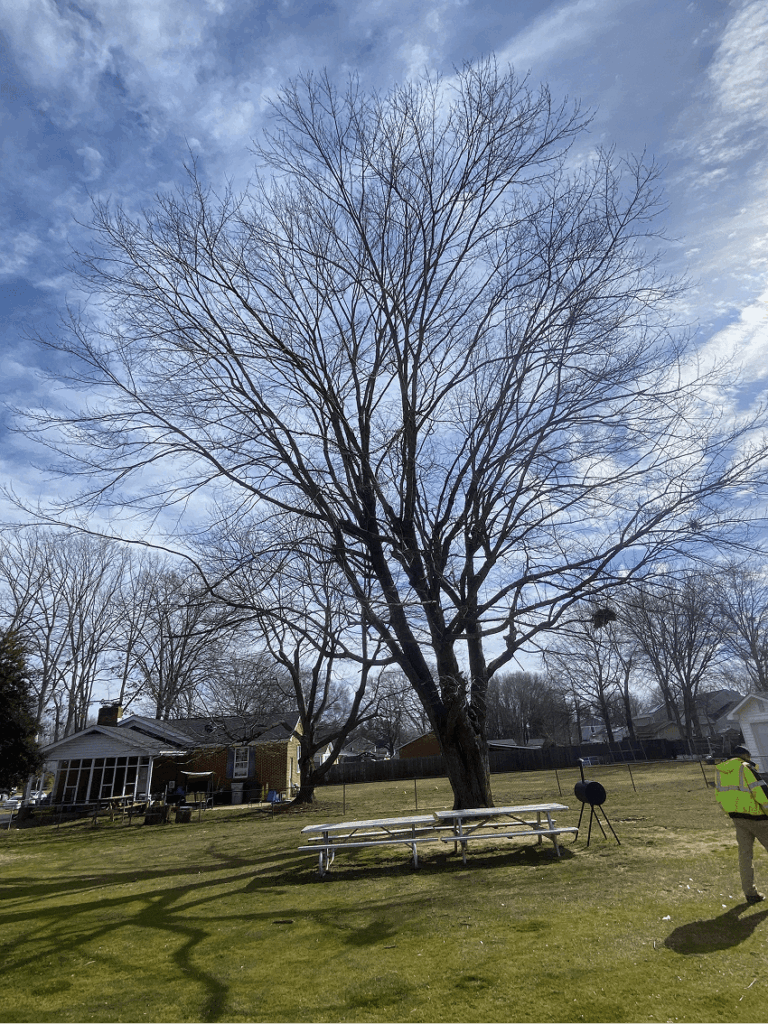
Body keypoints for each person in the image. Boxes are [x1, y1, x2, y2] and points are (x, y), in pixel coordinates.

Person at [714, 745, 768, 904]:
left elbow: (719, 796)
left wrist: (731, 813)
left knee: (745, 857)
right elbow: (761, 794)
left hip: (738, 819)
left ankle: (750, 893)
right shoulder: (745, 768)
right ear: (745, 755)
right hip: (759, 819)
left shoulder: (719, 771)